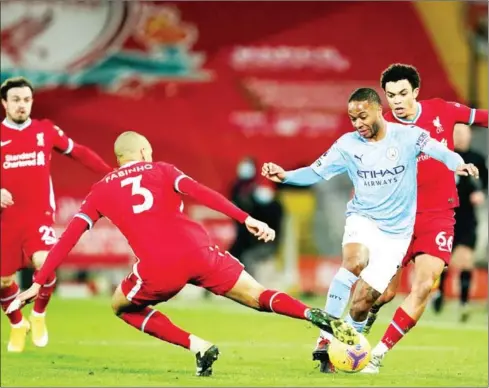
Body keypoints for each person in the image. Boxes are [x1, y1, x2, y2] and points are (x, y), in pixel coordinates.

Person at [7, 131, 357, 377]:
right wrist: (247, 218)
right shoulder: (162, 170)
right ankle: (313, 315)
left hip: (158, 267)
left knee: (120, 306)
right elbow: (203, 194)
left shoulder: (100, 190)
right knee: (257, 295)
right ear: (144, 152)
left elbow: (69, 236)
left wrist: (39, 281)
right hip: (200, 249)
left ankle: (198, 346)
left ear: (119, 159)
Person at [261, 87, 479, 374]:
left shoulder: (407, 136)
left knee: (363, 303)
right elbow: (317, 171)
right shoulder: (347, 145)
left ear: (378, 110)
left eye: (363, 116)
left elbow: (439, 150)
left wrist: (458, 163)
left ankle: (346, 348)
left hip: (396, 234)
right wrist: (287, 176)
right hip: (363, 219)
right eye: (353, 119)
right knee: (354, 262)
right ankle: (325, 338)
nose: (358, 123)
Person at [357, 64, 487, 373]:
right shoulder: (380, 129)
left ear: (416, 91)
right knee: (383, 293)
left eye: (403, 94)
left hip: (439, 215)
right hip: (397, 218)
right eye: (390, 96)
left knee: (425, 284)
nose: (397, 101)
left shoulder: (442, 110)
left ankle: (377, 355)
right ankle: (349, 332)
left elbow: (482, 117)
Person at [0, 76, 113, 352]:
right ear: (4, 103)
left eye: (26, 100)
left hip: (37, 215)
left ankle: (38, 314)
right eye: (16, 100)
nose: (22, 105)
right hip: (6, 220)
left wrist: (111, 174)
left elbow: (80, 152)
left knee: (46, 263)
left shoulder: (45, 130)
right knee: (3, 279)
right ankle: (17, 324)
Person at [433, 124, 488, 321]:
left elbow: (484, 183)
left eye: (464, 133)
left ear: (470, 135)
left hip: (467, 218)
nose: (461, 137)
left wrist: (481, 193)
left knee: (466, 260)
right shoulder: (444, 156)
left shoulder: (478, 159)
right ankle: (439, 292)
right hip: (446, 215)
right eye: (457, 133)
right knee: (444, 261)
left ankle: (464, 303)